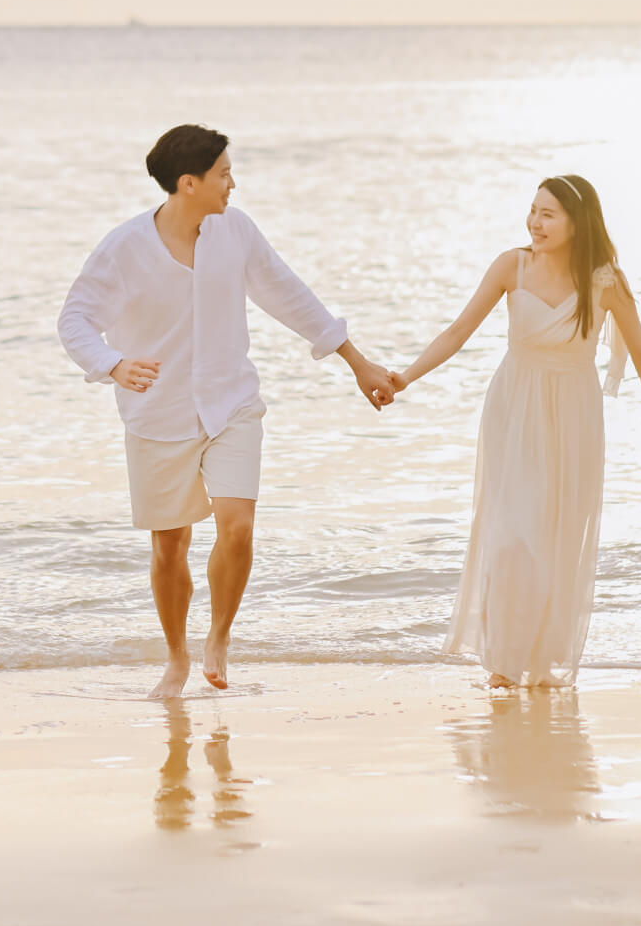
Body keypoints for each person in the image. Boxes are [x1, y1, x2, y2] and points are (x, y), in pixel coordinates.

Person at [58, 124, 398, 699]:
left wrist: (356, 362)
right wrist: (112, 364)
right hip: (157, 414)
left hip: (231, 403)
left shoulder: (234, 231)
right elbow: (75, 319)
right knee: (170, 546)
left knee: (237, 526)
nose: (232, 184)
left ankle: (218, 635)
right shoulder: (124, 249)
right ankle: (176, 657)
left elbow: (289, 294)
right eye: (223, 174)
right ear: (188, 183)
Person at [391, 174, 641, 689]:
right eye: (533, 210)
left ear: (578, 222)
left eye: (548, 214)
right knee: (512, 537)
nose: (535, 222)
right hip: (513, 411)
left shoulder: (605, 282)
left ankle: (539, 660)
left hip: (574, 418)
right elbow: (458, 331)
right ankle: (504, 663)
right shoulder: (512, 266)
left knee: (557, 541)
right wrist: (405, 378)